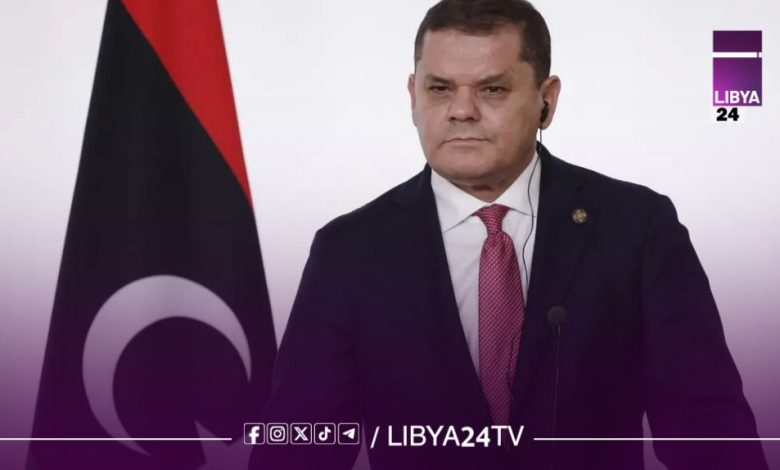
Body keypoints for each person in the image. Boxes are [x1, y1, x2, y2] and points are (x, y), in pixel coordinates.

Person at [250, 0, 768, 468]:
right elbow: (299, 448)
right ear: (413, 96)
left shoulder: (637, 228)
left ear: (547, 101)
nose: (461, 110)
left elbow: (709, 429)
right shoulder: (350, 251)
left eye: (492, 89)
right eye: (439, 89)